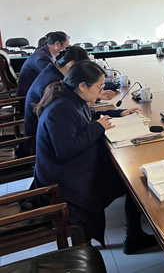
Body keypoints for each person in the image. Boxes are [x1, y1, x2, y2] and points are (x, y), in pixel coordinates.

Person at [33, 61, 156, 254]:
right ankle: (133, 237)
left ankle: (134, 234)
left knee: (131, 176)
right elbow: (66, 150)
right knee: (134, 181)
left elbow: (88, 115)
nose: (101, 91)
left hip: (70, 169)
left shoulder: (69, 97)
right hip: (65, 182)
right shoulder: (60, 109)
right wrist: (98, 127)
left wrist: (120, 113)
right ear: (83, 85)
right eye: (99, 87)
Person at [24, 46, 118, 141]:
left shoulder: (58, 79)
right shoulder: (52, 84)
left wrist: (95, 94)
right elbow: (65, 139)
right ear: (72, 64)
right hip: (34, 137)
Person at [17, 31, 70, 96]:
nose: (66, 49)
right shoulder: (42, 58)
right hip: (29, 97)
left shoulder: (45, 53)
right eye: (66, 46)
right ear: (57, 44)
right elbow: (54, 78)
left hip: (38, 92)